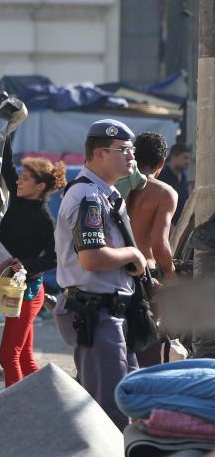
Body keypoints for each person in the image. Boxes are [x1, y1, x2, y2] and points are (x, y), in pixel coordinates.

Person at [53, 119, 148, 428]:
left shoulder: (105, 194)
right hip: (97, 312)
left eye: (132, 149)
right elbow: (92, 259)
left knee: (129, 404)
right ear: (99, 154)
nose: (132, 156)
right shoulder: (89, 197)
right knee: (111, 412)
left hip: (113, 312)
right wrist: (133, 254)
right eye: (123, 150)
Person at [0, 157, 65, 387]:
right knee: (23, 358)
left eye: (25, 179)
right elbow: (5, 166)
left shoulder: (44, 219)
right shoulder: (17, 198)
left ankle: (15, 413)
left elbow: (54, 258)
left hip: (29, 293)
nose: (18, 182)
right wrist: (1, 124)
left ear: (40, 186)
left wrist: (25, 266)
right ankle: (48, 404)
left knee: (8, 356)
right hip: (14, 289)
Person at [124, 132, 178, 367]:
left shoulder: (115, 184)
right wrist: (173, 277)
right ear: (161, 163)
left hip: (110, 272)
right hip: (145, 278)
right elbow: (159, 245)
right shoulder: (164, 192)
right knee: (147, 349)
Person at [157, 141, 191, 218]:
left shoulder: (183, 176)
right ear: (174, 156)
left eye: (189, 158)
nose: (188, 162)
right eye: (185, 158)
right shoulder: (161, 175)